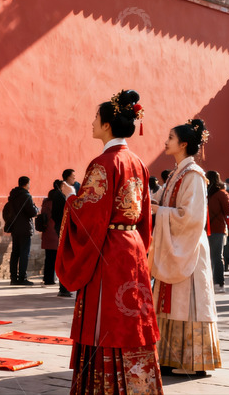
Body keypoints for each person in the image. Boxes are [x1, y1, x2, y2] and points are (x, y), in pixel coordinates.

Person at [56, 90, 161, 393]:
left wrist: (70, 198)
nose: (92, 123)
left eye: (95, 118)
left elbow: (91, 212)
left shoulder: (103, 162)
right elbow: (145, 215)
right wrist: (140, 246)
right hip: (133, 246)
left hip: (109, 248)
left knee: (107, 316)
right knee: (132, 316)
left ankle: (105, 385)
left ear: (106, 124)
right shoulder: (138, 162)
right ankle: (138, 382)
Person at [150, 119, 220, 377]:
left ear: (183, 144)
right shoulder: (176, 174)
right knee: (170, 303)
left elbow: (191, 217)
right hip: (174, 245)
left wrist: (159, 211)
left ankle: (195, 361)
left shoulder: (193, 176)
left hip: (188, 247)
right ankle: (168, 358)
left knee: (189, 302)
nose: (165, 142)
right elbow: (160, 202)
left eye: (170, 137)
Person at [5, 176, 39, 285]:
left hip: (15, 227)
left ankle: (13, 278)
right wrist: (36, 208)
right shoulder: (26, 196)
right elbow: (32, 212)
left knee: (15, 253)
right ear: (26, 184)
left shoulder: (13, 196)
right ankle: (22, 278)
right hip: (24, 228)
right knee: (24, 254)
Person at [205, 170, 229, 293]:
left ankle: (208, 282)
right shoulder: (221, 193)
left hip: (202, 228)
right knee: (217, 256)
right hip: (217, 227)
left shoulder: (203, 192)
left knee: (206, 257)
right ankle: (218, 283)